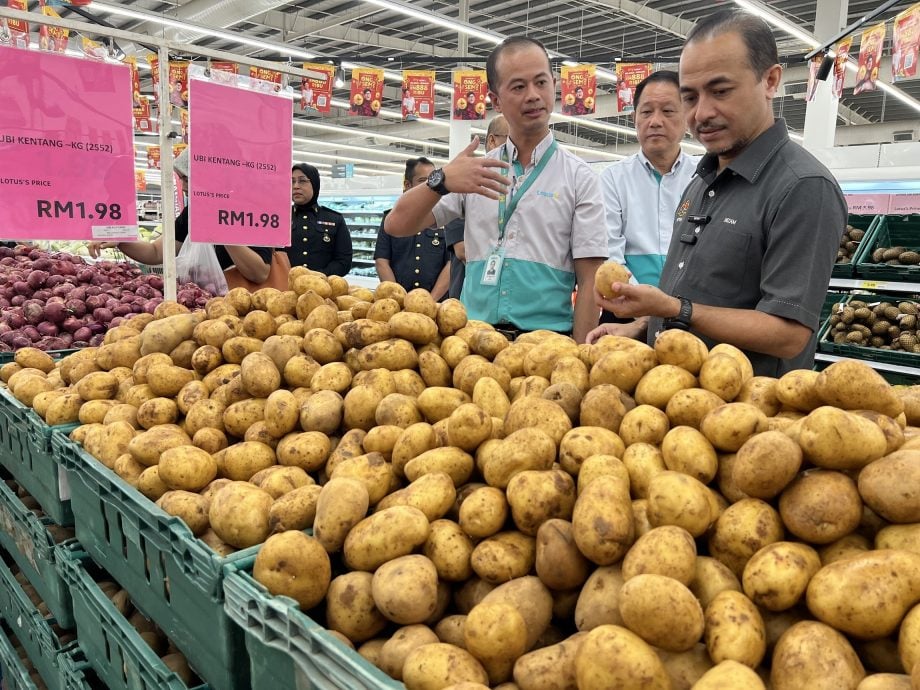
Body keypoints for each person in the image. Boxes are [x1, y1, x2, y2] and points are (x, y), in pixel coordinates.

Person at [589, 9, 847, 377]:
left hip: (748, 414)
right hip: (679, 400)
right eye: (690, 97)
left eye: (720, 91)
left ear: (770, 80)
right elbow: (700, 293)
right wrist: (641, 326)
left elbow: (789, 335)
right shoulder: (701, 180)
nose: (702, 113)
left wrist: (675, 308)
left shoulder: (803, 187)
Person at [384, 36, 607, 343]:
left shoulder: (580, 177)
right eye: (518, 87)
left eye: (541, 82)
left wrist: (583, 358)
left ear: (554, 85)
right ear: (495, 100)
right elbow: (397, 224)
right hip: (473, 342)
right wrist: (442, 180)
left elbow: (589, 278)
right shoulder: (472, 172)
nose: (533, 95)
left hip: (547, 345)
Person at [598, 70, 699, 333]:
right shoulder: (613, 179)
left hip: (689, 315)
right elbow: (610, 254)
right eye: (646, 112)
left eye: (668, 111)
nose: (655, 121)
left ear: (687, 117)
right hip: (625, 312)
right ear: (634, 119)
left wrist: (669, 305)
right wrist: (638, 300)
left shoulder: (704, 179)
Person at [89, 149, 272, 282]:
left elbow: (259, 273)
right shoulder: (193, 213)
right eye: (181, 179)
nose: (183, 187)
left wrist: (220, 229)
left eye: (187, 178)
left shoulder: (250, 212)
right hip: (203, 306)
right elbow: (156, 252)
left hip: (244, 315)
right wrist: (120, 240)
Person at [446, 114, 509, 299]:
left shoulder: (513, 186)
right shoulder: (462, 185)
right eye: (512, 139)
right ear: (492, 141)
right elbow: (462, 250)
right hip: (469, 297)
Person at [375, 157, 450, 300]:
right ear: (407, 185)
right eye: (423, 181)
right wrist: (398, 298)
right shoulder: (392, 220)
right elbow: (382, 261)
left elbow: (451, 264)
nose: (431, 186)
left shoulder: (446, 217)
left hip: (437, 305)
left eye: (434, 180)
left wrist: (430, 301)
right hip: (399, 304)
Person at [288, 163, 352, 276]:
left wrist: (320, 276)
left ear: (314, 184)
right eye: (292, 181)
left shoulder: (334, 219)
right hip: (285, 289)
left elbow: (344, 261)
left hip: (322, 289)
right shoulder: (279, 218)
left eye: (302, 181)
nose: (296, 186)